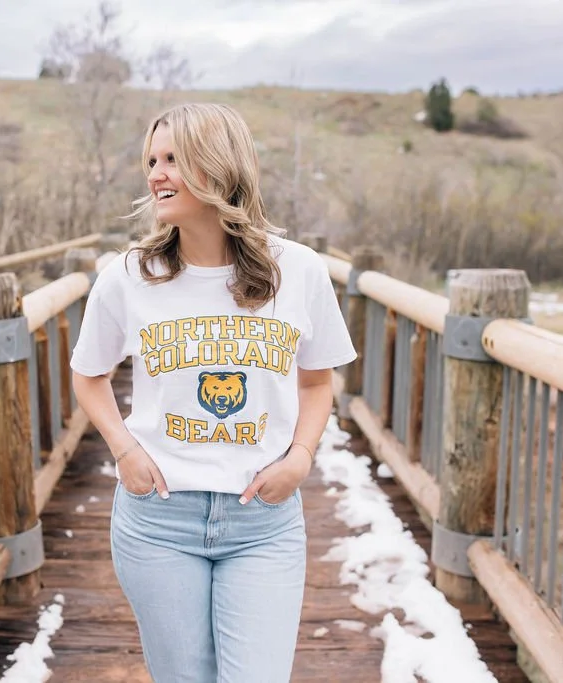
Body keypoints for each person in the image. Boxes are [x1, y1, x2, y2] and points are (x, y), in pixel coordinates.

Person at [69, 102, 356, 683]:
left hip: (263, 522)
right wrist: (124, 449)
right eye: (152, 160)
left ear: (219, 164)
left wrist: (300, 458)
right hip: (159, 520)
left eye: (173, 159)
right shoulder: (129, 276)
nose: (156, 174)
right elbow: (89, 374)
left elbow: (317, 379)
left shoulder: (298, 271)